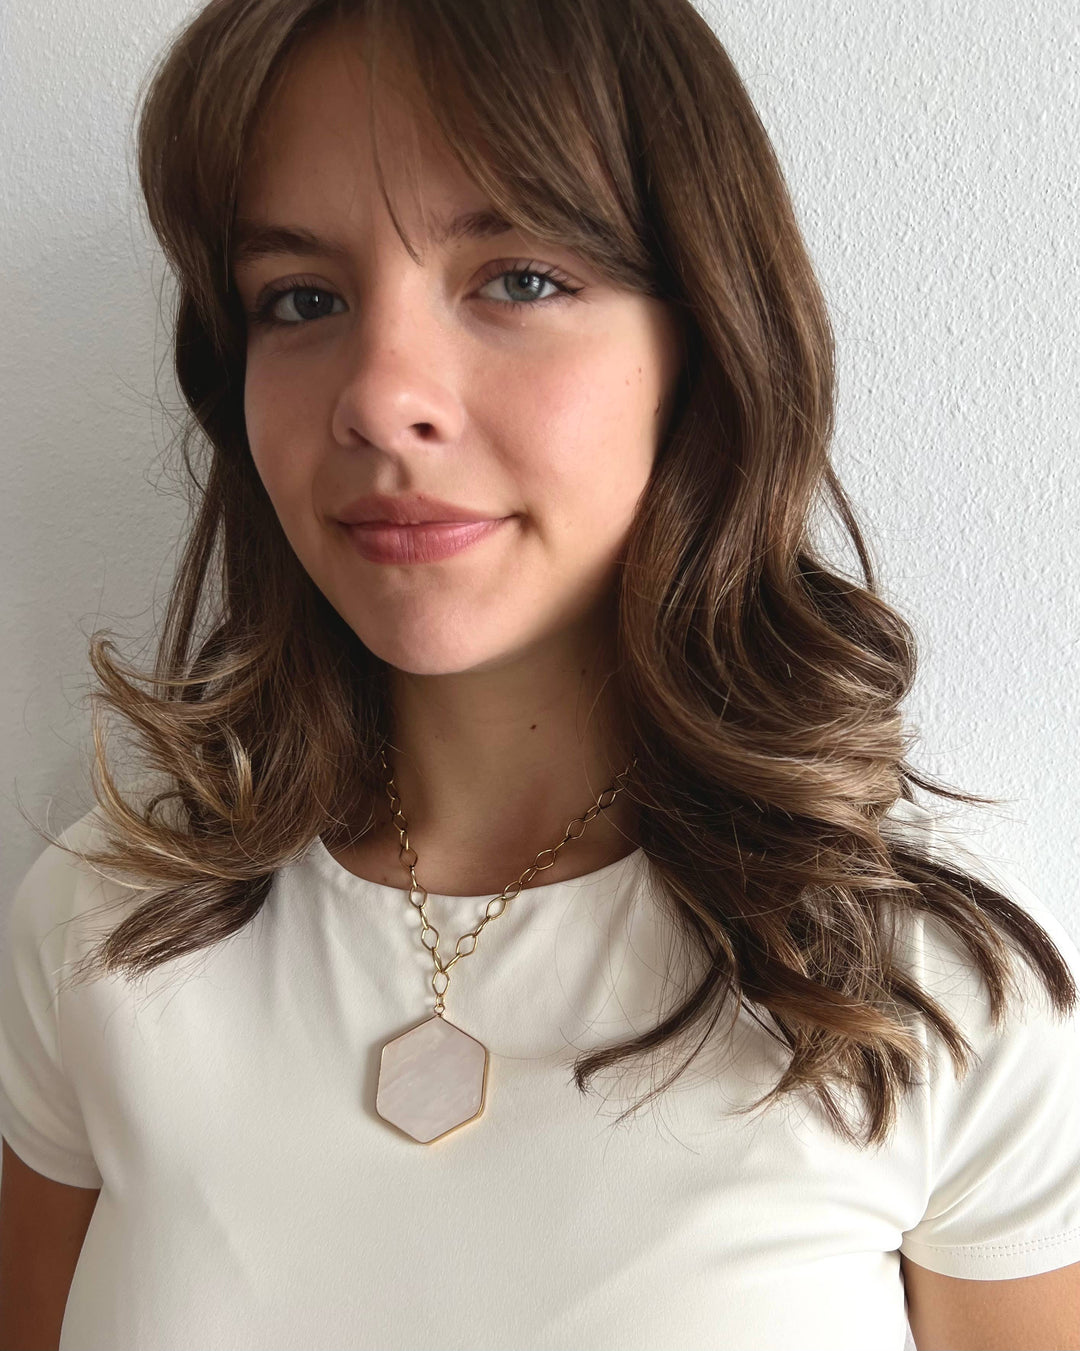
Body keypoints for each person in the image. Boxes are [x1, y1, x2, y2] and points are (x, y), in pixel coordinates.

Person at [2, 1, 1079, 1348]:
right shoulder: (102, 923)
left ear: (705, 340)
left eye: (517, 278)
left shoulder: (922, 988)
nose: (382, 393)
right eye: (302, 299)